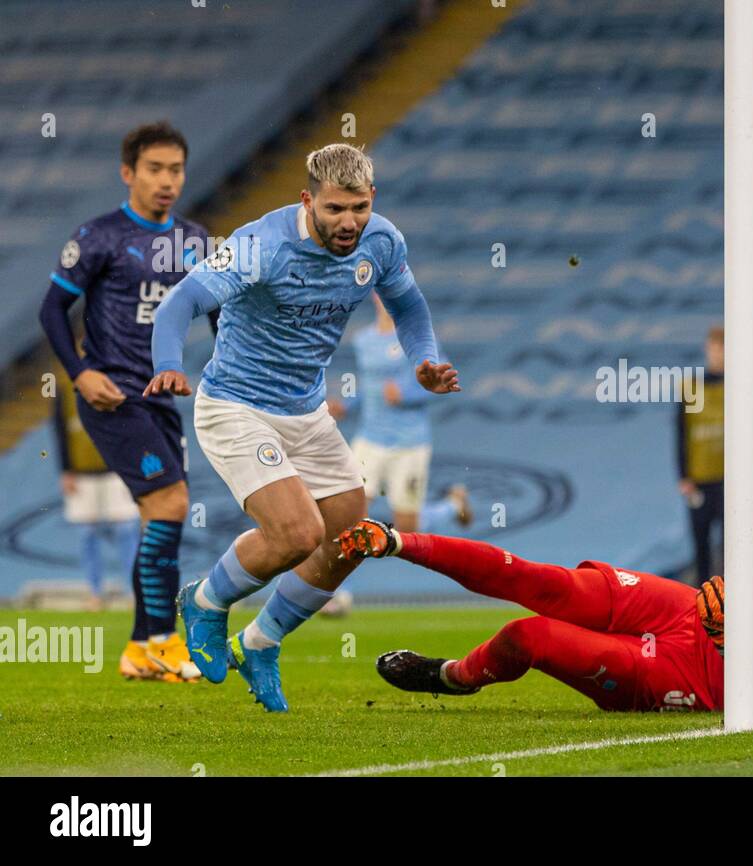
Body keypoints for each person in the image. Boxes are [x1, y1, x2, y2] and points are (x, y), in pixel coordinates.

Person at [147, 143, 458, 712]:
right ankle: (205, 602)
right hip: (236, 406)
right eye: (336, 209)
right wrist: (168, 363)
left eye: (359, 207)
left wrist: (424, 359)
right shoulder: (260, 246)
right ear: (307, 199)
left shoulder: (382, 242)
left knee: (349, 540)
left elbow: (409, 307)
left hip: (306, 412)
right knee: (296, 534)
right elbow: (179, 304)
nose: (349, 222)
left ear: (373, 200)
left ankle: (261, 643)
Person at [335, 518, 753, 713]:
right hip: (688, 614)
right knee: (544, 582)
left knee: (529, 637)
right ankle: (397, 542)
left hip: (695, 672)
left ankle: (451, 676)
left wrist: (731, 644)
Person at [38, 121, 209, 682]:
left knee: (156, 516)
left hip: (161, 399)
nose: (167, 181)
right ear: (128, 173)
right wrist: (81, 373)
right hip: (112, 397)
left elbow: (222, 315)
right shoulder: (99, 237)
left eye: (175, 170)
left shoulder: (195, 242)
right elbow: (51, 311)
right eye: (155, 169)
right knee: (170, 505)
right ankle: (162, 640)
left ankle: (139, 648)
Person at [331, 293, 472, 532]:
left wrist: (405, 395)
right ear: (375, 297)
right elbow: (369, 385)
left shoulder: (419, 339)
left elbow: (444, 383)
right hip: (369, 441)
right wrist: (345, 406)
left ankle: (453, 504)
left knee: (407, 529)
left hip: (410, 443)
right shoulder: (364, 340)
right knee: (351, 514)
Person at [52, 369, 139, 617]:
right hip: (81, 474)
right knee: (86, 534)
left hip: (115, 470)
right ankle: (94, 592)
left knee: (126, 530)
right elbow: (59, 429)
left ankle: (134, 592)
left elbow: (129, 425)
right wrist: (65, 469)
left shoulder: (115, 378)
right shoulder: (64, 386)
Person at [677, 326, 724, 585]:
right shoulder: (692, 388)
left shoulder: (741, 387)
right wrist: (683, 474)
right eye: (714, 349)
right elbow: (682, 432)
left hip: (729, 478)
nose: (717, 355)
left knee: (732, 543)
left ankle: (732, 598)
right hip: (700, 478)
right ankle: (703, 597)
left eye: (722, 349)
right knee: (701, 541)